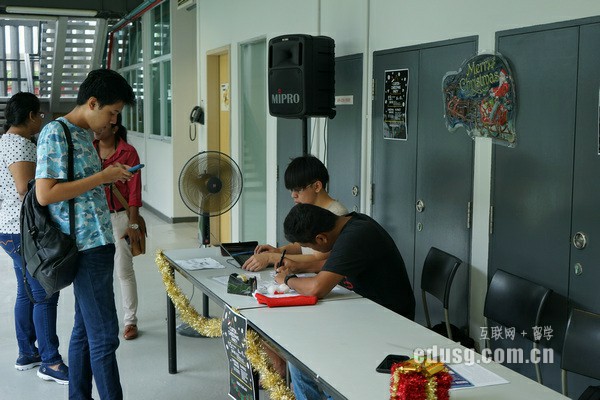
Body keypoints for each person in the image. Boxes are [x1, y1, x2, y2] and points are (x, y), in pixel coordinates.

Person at [35, 68, 135, 400]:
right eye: (112, 112)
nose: (113, 121)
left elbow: (82, 188)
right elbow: (45, 194)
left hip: (98, 242)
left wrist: (109, 176)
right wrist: (102, 178)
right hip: (84, 246)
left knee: (83, 330)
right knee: (105, 336)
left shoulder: (82, 135)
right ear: (92, 103)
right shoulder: (56, 132)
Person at [275, 203, 415, 400]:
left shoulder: (357, 235)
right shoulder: (352, 223)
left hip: (389, 321)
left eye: (310, 246)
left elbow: (316, 289)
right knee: (299, 353)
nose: (311, 250)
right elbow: (337, 261)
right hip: (364, 312)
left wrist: (288, 280)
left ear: (321, 238)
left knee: (309, 353)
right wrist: (298, 267)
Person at [0, 92, 69, 384]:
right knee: (45, 294)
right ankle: (50, 362)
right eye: (39, 115)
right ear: (30, 116)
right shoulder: (20, 146)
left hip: (9, 228)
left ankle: (28, 353)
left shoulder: (5, 142)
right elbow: (25, 190)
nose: (41, 119)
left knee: (26, 292)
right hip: (24, 231)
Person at [242, 155, 348, 272]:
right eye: (291, 190)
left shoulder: (336, 214)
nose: (293, 195)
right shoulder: (311, 210)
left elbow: (317, 258)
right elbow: (304, 245)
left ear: (317, 186)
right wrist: (278, 251)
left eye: (298, 190)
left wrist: (270, 258)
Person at [93, 113, 143, 341]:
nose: (96, 129)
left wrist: (133, 222)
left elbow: (134, 192)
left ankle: (130, 321)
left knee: (124, 270)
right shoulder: (89, 150)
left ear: (114, 128)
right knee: (97, 272)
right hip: (94, 218)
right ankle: (101, 320)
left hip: (120, 217)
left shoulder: (128, 152)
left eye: (102, 125)